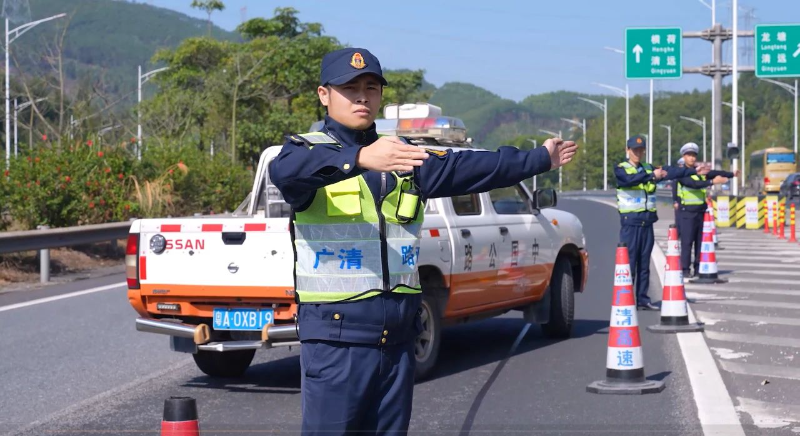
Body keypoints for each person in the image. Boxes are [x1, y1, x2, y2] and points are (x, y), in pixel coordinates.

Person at [268, 47, 577, 435]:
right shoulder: (306, 151)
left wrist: (538, 160)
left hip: (398, 338)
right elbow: (287, 171)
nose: (363, 96)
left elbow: (470, 165)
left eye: (371, 87)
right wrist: (360, 157)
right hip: (336, 341)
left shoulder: (403, 156)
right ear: (324, 94)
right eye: (350, 88)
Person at [614, 135, 707, 310]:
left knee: (644, 264)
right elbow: (628, 181)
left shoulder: (649, 168)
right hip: (630, 224)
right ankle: (626, 298)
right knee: (629, 263)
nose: (638, 153)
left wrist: (693, 171)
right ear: (627, 151)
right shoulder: (621, 169)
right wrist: (651, 176)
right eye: (634, 150)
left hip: (647, 223)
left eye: (641, 150)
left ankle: (642, 298)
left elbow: (673, 172)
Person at [675, 142, 737, 278]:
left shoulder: (699, 171)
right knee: (687, 242)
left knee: (700, 242)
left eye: (694, 155)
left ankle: (698, 268)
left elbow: (714, 173)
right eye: (689, 155)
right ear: (684, 157)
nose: (692, 158)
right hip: (687, 212)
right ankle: (685, 269)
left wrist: (731, 174)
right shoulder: (681, 173)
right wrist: (712, 182)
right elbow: (693, 184)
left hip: (700, 211)